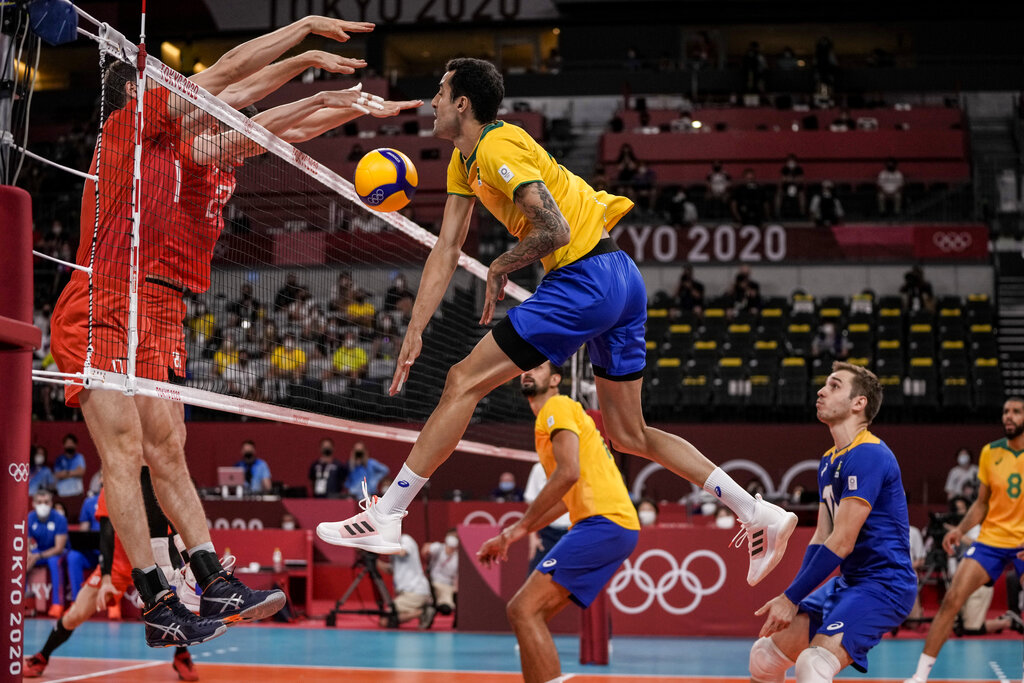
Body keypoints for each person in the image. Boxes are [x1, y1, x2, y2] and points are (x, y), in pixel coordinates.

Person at [317, 58, 796, 588]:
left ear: (462, 104)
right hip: (621, 276)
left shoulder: (497, 149)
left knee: (462, 382)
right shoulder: (464, 160)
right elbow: (446, 249)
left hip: (583, 277)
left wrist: (501, 266)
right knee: (628, 433)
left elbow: (555, 228)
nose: (431, 102)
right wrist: (415, 329)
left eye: (439, 92)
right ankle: (757, 512)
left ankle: (388, 513)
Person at [45, 16, 374, 645]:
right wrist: (303, 37)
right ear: (142, 93)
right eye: (169, 82)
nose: (185, 88)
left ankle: (209, 576)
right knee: (126, 451)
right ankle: (154, 597)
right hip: (98, 301)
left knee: (166, 450)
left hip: (144, 307)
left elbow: (249, 114)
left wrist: (323, 93)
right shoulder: (131, 124)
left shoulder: (177, 146)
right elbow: (227, 78)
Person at [750, 362, 916, 681]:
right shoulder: (829, 459)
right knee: (763, 657)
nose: (822, 391)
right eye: (825, 385)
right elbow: (821, 536)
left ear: (859, 403)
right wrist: (794, 597)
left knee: (813, 664)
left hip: (884, 585)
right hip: (849, 582)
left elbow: (842, 541)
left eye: (835, 385)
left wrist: (790, 598)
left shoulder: (870, 454)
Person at [477, 361, 640, 682]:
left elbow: (568, 473)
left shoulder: (558, 406)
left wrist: (519, 525)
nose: (527, 370)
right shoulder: (547, 424)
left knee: (521, 610)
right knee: (528, 616)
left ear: (554, 380)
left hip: (603, 522)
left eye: (537, 367)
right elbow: (566, 495)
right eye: (525, 367)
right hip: (608, 525)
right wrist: (513, 533)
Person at [23, 470, 227, 680]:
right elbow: (107, 535)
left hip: (153, 562)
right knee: (75, 614)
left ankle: (181, 655)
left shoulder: (157, 483)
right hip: (119, 565)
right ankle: (41, 656)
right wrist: (106, 578)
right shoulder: (112, 486)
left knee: (177, 608)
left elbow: (173, 528)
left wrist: (182, 563)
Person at [904, 397, 1024, 683]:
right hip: (992, 539)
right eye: (1006, 411)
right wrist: (959, 529)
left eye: (1016, 412)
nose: (1009, 416)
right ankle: (919, 676)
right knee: (951, 600)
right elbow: (981, 503)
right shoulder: (990, 452)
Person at [27, 489, 70, 618]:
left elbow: (58, 547)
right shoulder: (30, 517)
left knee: (53, 561)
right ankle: (22, 598)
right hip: (39, 551)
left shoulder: (60, 519)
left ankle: (57, 604)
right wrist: (28, 554)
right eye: (39, 502)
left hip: (58, 553)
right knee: (22, 559)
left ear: (51, 503)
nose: (43, 505)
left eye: (46, 502)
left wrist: (37, 556)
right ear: (33, 503)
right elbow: (27, 543)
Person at [376, 534, 435, 628]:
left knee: (385, 621)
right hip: (406, 593)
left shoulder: (406, 540)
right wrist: (374, 561)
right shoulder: (393, 546)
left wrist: (377, 546)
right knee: (386, 619)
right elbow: (390, 569)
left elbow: (402, 552)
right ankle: (421, 610)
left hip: (415, 591)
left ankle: (422, 612)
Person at [523, 461, 570, 572]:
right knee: (534, 580)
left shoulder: (578, 465)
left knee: (573, 582)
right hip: (547, 533)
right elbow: (531, 504)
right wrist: (532, 537)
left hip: (573, 531)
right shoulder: (539, 468)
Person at [422, 529, 459, 615]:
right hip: (433, 583)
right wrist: (427, 552)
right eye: (452, 537)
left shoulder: (457, 557)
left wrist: (455, 590)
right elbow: (425, 549)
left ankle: (437, 606)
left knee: (446, 609)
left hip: (447, 586)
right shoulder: (438, 548)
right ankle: (430, 606)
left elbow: (457, 577)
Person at [54, 433, 86, 498]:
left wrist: (66, 473)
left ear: (75, 445)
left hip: (77, 492)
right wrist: (74, 472)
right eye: (67, 443)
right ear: (64, 445)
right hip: (62, 493)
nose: (69, 445)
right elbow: (57, 475)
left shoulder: (79, 457)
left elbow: (81, 472)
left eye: (71, 443)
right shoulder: (59, 459)